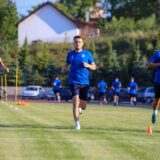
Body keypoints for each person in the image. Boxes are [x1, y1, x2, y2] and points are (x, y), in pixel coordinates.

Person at [62, 35, 96, 130]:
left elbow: (94, 67)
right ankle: (77, 123)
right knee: (75, 101)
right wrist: (64, 69)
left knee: (83, 106)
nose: (78, 43)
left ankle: (81, 108)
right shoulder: (70, 54)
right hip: (73, 82)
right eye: (76, 42)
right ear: (74, 43)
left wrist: (88, 65)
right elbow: (66, 65)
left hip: (85, 83)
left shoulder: (87, 54)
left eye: (79, 42)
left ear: (82, 43)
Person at [147, 50, 160, 124]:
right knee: (157, 101)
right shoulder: (158, 53)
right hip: (158, 81)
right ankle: (154, 112)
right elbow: (149, 64)